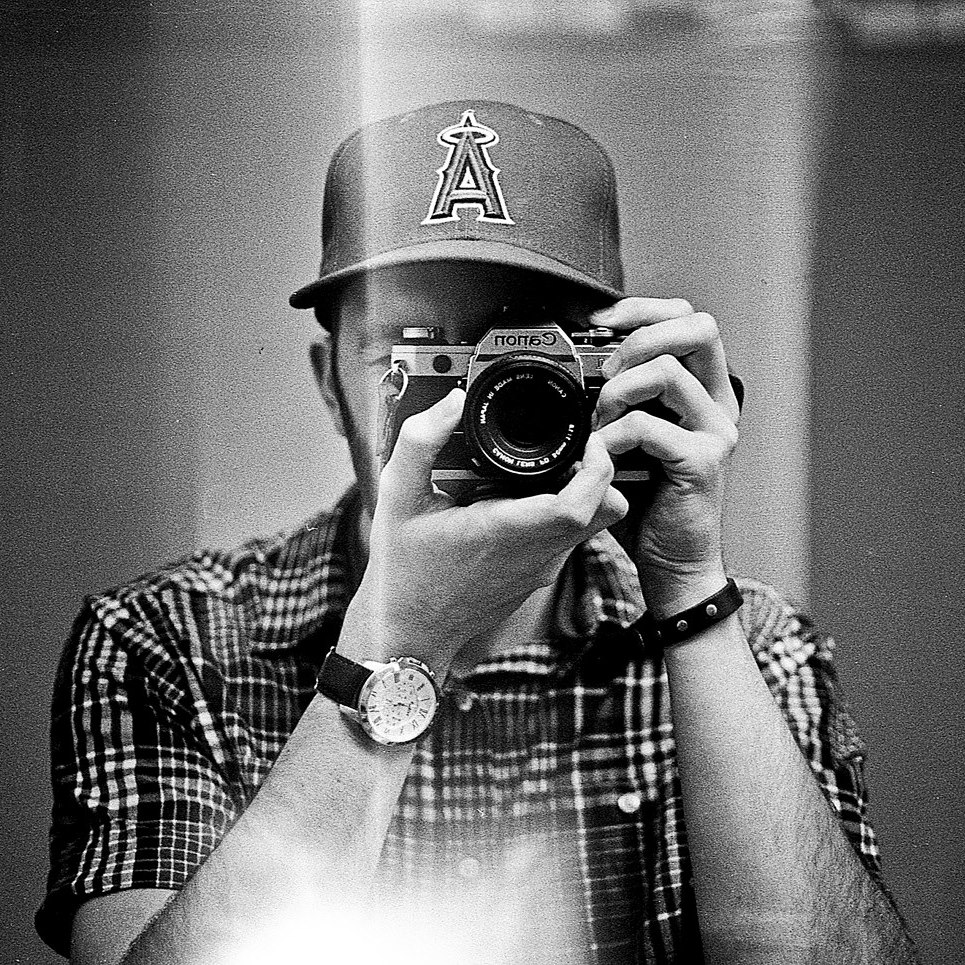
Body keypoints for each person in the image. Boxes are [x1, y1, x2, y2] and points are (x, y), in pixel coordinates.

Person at [38, 100, 919, 964]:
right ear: (327, 382)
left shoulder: (753, 644)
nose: (470, 408)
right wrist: (397, 643)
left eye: (521, 352)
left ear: (614, 366)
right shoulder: (165, 640)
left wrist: (688, 587)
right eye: (415, 357)